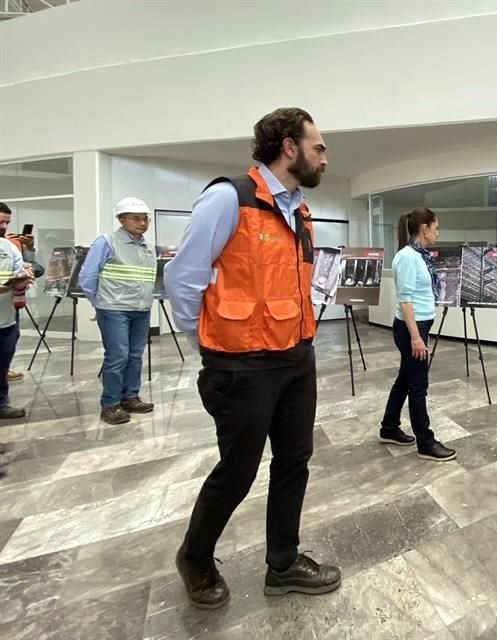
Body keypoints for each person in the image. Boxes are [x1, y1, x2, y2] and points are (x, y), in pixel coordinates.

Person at [166, 107, 340, 610]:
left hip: (295, 357)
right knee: (238, 470)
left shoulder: (299, 210)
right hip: (241, 364)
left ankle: (283, 564)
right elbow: (183, 279)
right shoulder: (228, 199)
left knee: (295, 461)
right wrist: (213, 347)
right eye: (319, 147)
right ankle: (194, 557)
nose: (324, 158)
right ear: (290, 147)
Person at [378, 207, 457, 462]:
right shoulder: (408, 257)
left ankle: (389, 427)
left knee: (405, 379)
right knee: (418, 386)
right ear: (424, 229)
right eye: (435, 228)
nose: (438, 232)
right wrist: (415, 337)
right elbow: (406, 301)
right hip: (412, 329)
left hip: (418, 326)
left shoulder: (420, 256)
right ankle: (426, 442)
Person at [78, 198, 157, 425]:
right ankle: (110, 405)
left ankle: (130, 397)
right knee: (117, 356)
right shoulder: (107, 242)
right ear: (121, 220)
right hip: (114, 309)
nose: (142, 223)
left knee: (135, 356)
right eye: (136, 218)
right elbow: (87, 277)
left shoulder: (148, 246)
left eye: (145, 219)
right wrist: (99, 302)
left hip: (141, 308)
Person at [0, 203, 33, 420]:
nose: (3, 226)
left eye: (7, 222)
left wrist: (23, 279)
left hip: (6, 319)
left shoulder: (8, 246)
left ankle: (2, 403)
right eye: (0, 221)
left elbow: (20, 273)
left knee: (2, 365)